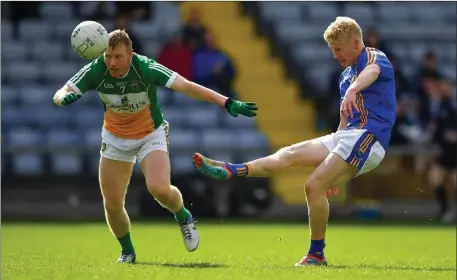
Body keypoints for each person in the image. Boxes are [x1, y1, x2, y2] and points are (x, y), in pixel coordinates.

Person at [193, 17, 396, 266]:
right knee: (287, 154)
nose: (335, 56)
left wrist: (354, 89)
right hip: (348, 136)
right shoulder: (345, 77)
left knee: (313, 186)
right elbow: (345, 122)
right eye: (332, 51)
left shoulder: (374, 57)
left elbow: (372, 73)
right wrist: (334, 166)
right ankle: (231, 169)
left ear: (356, 43)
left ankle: (316, 255)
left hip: (370, 138)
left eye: (339, 50)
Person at [52, 30, 258, 263]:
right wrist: (63, 98)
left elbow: (187, 86)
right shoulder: (97, 69)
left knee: (159, 189)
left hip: (150, 134)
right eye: (108, 56)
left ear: (130, 54)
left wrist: (226, 102)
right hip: (114, 139)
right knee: (112, 204)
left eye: (118, 57)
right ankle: (127, 252)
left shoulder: (146, 68)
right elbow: (62, 91)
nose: (112, 62)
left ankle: (183, 216)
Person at [428, 78, 456, 223]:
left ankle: (448, 211)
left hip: (453, 151)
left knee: (453, 182)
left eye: (446, 86)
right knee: (435, 180)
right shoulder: (438, 105)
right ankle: (445, 210)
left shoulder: (452, 106)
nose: (443, 88)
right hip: (443, 150)